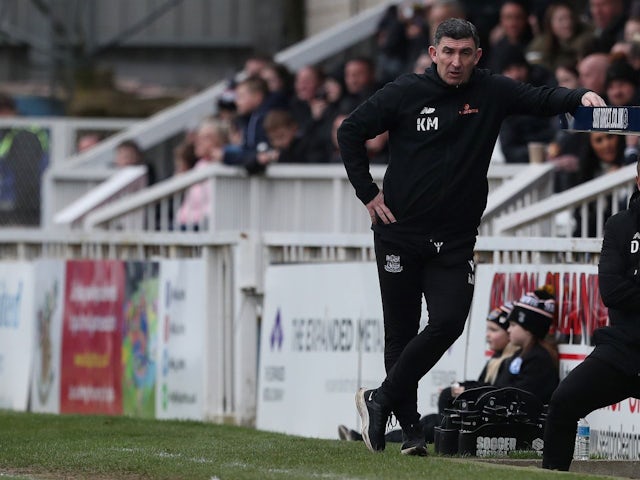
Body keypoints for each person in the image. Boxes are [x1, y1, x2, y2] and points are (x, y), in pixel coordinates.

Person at [337, 18, 606, 457]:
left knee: (448, 321)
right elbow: (350, 131)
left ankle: (380, 398)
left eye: (465, 53)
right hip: (399, 234)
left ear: (478, 56)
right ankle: (410, 433)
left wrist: (579, 95)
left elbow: (540, 99)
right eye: (448, 52)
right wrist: (367, 193)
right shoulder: (405, 91)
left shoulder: (491, 90)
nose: (456, 62)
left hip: (455, 238)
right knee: (400, 333)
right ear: (433, 53)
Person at [542, 160, 640, 471]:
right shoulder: (620, 225)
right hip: (621, 348)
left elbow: (623, 288)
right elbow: (611, 291)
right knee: (562, 402)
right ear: (639, 179)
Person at [337, 302, 519, 446]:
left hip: (496, 423)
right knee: (432, 419)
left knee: (434, 423)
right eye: (488, 329)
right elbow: (484, 386)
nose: (488, 335)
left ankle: (377, 406)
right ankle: (382, 433)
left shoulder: (520, 361)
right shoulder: (497, 360)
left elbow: (504, 392)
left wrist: (465, 389)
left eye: (494, 330)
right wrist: (463, 388)